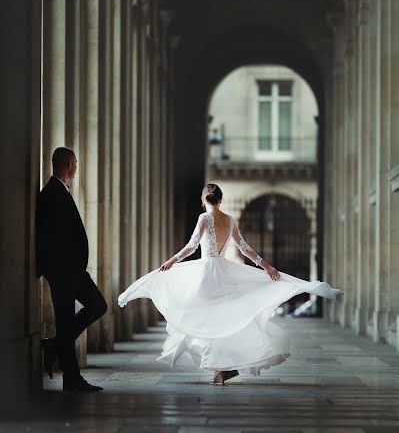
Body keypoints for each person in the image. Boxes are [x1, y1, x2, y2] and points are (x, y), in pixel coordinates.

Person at [118, 183, 344, 385]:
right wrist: (266, 266)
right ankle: (221, 369)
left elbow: (192, 246)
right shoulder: (229, 219)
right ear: (221, 200)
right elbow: (244, 247)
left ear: (203, 200)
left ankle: (220, 368)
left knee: (203, 316)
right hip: (224, 271)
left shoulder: (204, 218)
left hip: (206, 272)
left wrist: (171, 260)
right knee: (222, 318)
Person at [37, 147, 108, 392]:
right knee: (91, 308)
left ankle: (56, 347)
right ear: (68, 165)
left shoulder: (56, 192)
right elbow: (52, 238)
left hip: (68, 271)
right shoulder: (52, 193)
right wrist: (62, 269)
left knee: (87, 312)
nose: (77, 168)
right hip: (65, 272)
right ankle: (71, 376)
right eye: (75, 163)